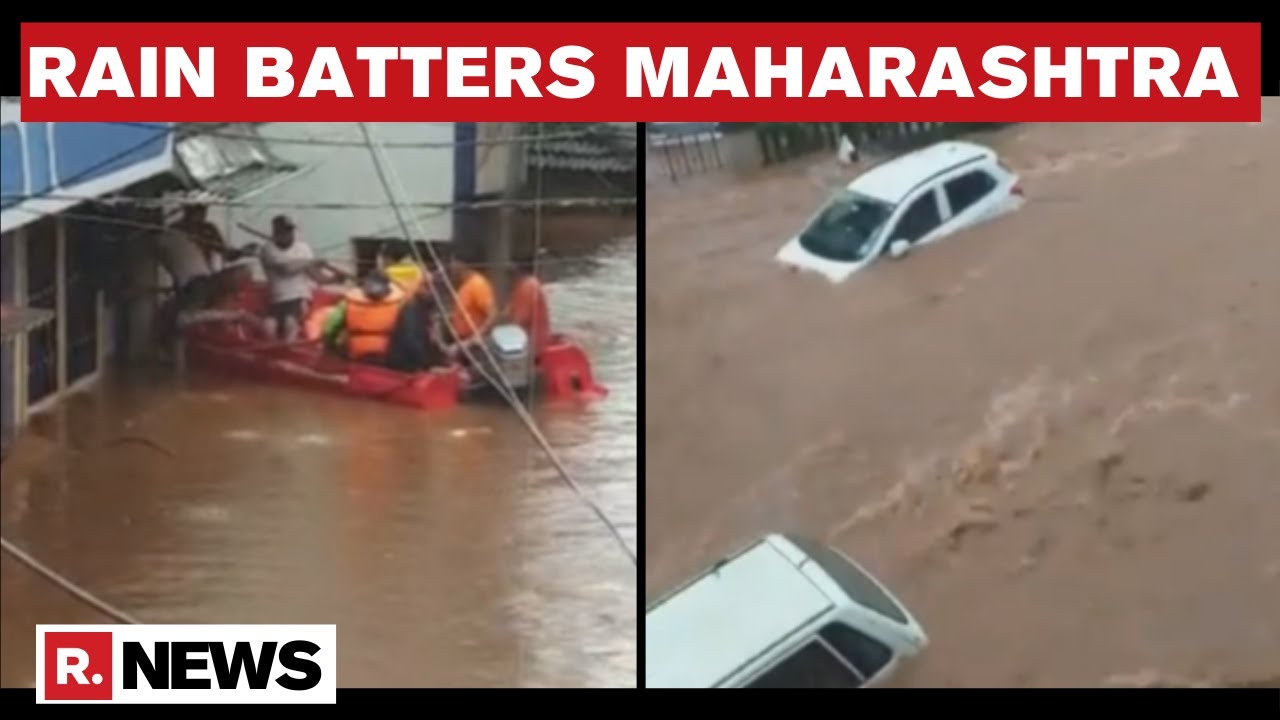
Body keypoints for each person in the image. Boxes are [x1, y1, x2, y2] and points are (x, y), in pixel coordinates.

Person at [256, 215, 316, 342]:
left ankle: (289, 349)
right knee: (268, 327)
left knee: (290, 323)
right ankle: (272, 356)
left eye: (290, 230)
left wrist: (337, 278)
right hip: (278, 300)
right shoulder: (268, 249)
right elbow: (286, 269)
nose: (288, 234)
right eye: (284, 231)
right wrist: (308, 262)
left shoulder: (303, 248)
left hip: (299, 296)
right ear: (275, 232)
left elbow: (316, 275)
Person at [342, 270, 407, 363]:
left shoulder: (347, 302)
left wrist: (331, 345)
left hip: (355, 353)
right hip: (388, 353)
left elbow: (330, 328)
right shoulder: (400, 304)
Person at [444, 248, 496, 359]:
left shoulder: (478, 285)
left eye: (453, 262)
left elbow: (492, 315)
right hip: (461, 342)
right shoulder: (464, 284)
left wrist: (472, 340)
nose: (451, 266)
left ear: (462, 264)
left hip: (473, 346)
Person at [385, 283, 449, 372]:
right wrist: (426, 364)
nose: (431, 292)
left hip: (412, 359)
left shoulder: (422, 309)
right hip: (406, 364)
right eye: (428, 288)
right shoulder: (411, 309)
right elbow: (410, 339)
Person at [503, 257, 553, 357]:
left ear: (518, 269)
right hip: (527, 337)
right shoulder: (522, 284)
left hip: (531, 342)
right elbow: (508, 310)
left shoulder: (528, 286)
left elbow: (520, 319)